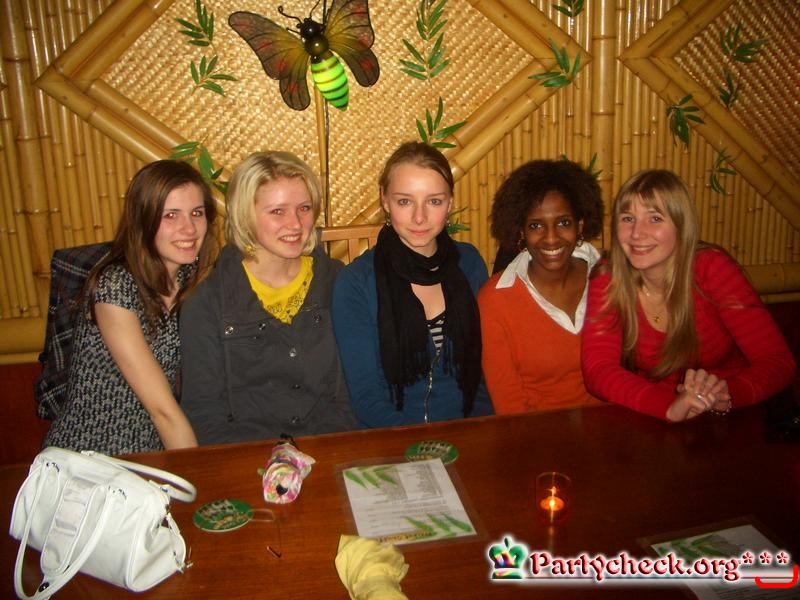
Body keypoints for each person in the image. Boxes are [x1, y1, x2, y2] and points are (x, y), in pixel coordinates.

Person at [582, 169, 796, 421]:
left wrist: (726, 394)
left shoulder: (711, 269)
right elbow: (598, 370)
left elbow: (779, 362)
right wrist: (668, 407)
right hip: (655, 413)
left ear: (681, 226)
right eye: (628, 218)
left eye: (655, 218)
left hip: (732, 415)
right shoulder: (608, 277)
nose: (637, 233)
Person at [179, 151, 355, 444]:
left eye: (304, 208)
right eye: (277, 212)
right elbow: (204, 413)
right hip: (248, 454)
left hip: (331, 446)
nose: (295, 224)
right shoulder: (208, 302)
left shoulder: (338, 283)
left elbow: (353, 391)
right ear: (245, 215)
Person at [43, 159, 217, 454]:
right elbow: (163, 412)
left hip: (149, 454)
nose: (189, 228)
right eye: (170, 215)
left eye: (196, 213)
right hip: (91, 457)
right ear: (143, 221)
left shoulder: (191, 278)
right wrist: (197, 475)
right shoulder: (116, 284)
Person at [332, 141, 493, 427]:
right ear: (385, 200)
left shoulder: (468, 264)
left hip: (466, 431)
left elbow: (484, 373)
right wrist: (421, 443)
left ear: (450, 203)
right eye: (404, 201)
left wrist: (477, 432)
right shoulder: (356, 282)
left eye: (434, 201)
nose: (420, 217)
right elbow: (367, 397)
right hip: (393, 436)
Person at [478, 159, 606, 414]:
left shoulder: (609, 280)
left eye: (563, 222)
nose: (551, 238)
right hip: (536, 431)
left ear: (580, 226)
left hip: (611, 426)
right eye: (536, 225)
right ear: (521, 232)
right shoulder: (495, 302)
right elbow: (509, 404)